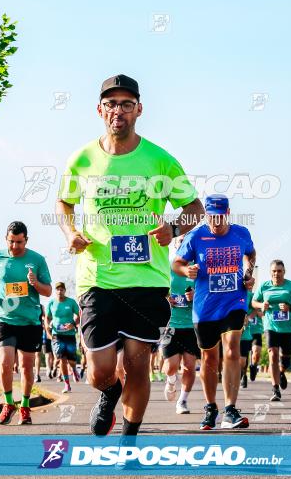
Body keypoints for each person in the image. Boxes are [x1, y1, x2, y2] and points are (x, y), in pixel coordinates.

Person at [56, 73, 203, 437]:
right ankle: (109, 392)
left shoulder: (159, 160)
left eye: (125, 104)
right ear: (99, 110)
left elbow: (195, 209)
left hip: (146, 279)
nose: (117, 110)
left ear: (139, 109)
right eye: (110, 104)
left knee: (138, 366)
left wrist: (173, 229)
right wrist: (70, 232)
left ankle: (129, 438)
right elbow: (64, 202)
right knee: (99, 372)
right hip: (97, 277)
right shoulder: (82, 159)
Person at [173, 194, 256, 430]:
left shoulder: (241, 233)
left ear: (227, 213)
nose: (215, 222)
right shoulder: (196, 235)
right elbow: (176, 263)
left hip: (234, 300)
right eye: (211, 217)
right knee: (209, 358)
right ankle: (211, 407)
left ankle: (230, 409)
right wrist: (186, 271)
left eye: (220, 216)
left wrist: (249, 274)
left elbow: (251, 253)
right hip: (205, 306)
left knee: (231, 349)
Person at [0, 221, 52, 426]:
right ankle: (8, 403)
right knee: (5, 363)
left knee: (26, 366)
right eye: (11, 242)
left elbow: (48, 291)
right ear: (6, 239)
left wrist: (35, 284)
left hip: (29, 320)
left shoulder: (37, 260)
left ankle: (24, 405)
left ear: (26, 240)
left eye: (19, 242)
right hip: (3, 318)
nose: (15, 247)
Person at [253, 260, 291, 402]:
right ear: (270, 272)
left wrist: (290, 307)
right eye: (274, 271)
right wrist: (261, 305)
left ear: (284, 272)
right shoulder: (264, 286)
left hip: (287, 327)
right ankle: (275, 389)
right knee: (273, 354)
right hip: (270, 326)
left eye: (279, 271)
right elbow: (253, 302)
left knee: (286, 359)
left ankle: (282, 372)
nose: (276, 274)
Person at [160, 265, 198, 415]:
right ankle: (170, 381)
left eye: (184, 240)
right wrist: (165, 297)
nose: (181, 243)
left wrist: (196, 295)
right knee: (170, 366)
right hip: (169, 325)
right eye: (179, 241)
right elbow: (157, 290)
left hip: (191, 326)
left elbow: (208, 292)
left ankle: (182, 400)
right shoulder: (167, 268)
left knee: (189, 365)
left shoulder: (197, 269)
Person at [46, 282, 81, 393]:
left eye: (61, 289)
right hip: (57, 335)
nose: (59, 291)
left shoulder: (71, 302)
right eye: (57, 289)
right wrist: (47, 329)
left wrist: (73, 324)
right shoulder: (51, 303)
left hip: (70, 335)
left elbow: (80, 314)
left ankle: (74, 369)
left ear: (64, 290)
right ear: (55, 291)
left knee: (71, 360)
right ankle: (67, 385)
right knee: (62, 359)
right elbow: (47, 317)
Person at [247, 294, 264, 382]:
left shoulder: (257, 298)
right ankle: (243, 376)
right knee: (243, 358)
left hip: (256, 332)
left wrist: (257, 310)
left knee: (256, 354)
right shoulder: (242, 298)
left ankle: (253, 366)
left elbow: (262, 314)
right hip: (244, 332)